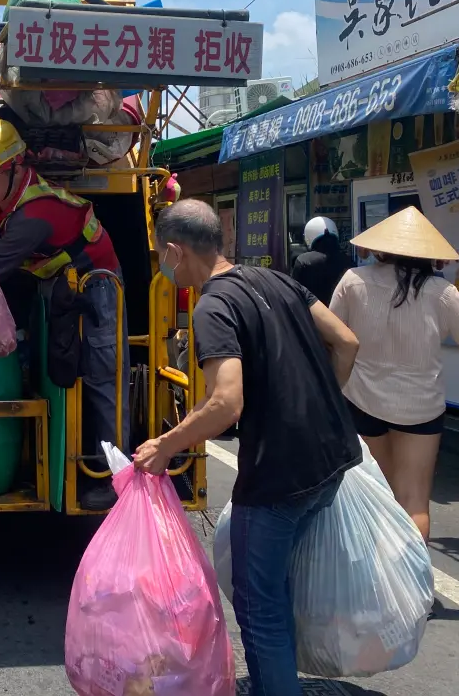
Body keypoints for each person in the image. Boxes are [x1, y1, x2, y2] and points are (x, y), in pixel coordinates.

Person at [134, 199, 362, 696]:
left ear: (175, 251)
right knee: (274, 587)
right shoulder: (278, 280)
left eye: (160, 256)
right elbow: (346, 342)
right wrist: (315, 409)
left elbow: (226, 402)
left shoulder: (212, 306)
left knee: (259, 605)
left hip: (278, 475)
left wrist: (166, 445)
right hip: (332, 457)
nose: (162, 266)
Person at [0, 118, 128, 511]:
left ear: (15, 167)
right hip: (54, 279)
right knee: (55, 367)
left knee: (101, 372)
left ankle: (112, 476)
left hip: (97, 282)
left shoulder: (35, 214)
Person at [330, 206, 459, 541]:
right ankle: (411, 587)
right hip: (420, 409)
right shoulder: (441, 293)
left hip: (361, 402)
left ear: (382, 246)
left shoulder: (353, 281)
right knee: (414, 502)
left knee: (373, 497)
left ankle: (375, 582)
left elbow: (332, 338)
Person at [291, 216, 352, 306]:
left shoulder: (303, 261)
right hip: (340, 316)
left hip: (313, 315)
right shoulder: (348, 260)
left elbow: (295, 294)